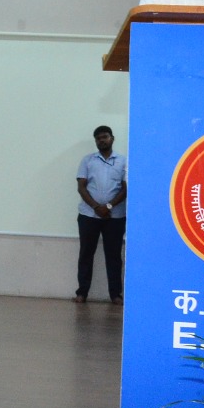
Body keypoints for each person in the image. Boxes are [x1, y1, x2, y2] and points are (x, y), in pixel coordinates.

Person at [75, 125, 127, 304]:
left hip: (115, 217)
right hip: (89, 215)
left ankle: (115, 295)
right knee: (86, 254)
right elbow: (81, 187)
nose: (101, 140)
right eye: (98, 138)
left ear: (112, 138)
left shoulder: (123, 161)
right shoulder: (87, 160)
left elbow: (125, 189)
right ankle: (82, 293)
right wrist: (97, 207)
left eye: (104, 137)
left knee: (113, 256)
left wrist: (109, 206)